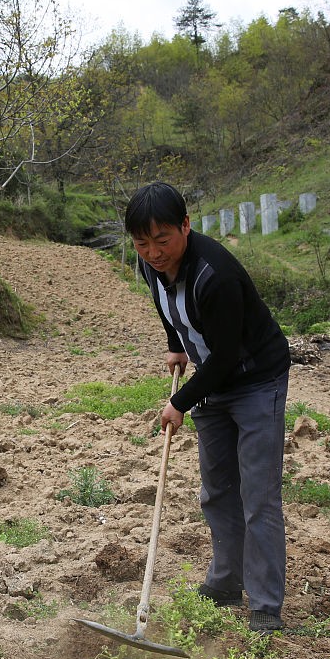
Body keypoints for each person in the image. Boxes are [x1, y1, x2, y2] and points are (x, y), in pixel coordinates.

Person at [125, 181, 291, 633]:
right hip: (210, 380)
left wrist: (179, 401)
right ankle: (224, 582)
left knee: (258, 495)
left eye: (163, 240)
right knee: (217, 489)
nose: (154, 252)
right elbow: (168, 307)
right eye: (142, 243)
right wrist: (175, 344)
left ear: (186, 226)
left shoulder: (215, 275)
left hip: (254, 379)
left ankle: (265, 606)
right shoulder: (150, 267)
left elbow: (227, 357)